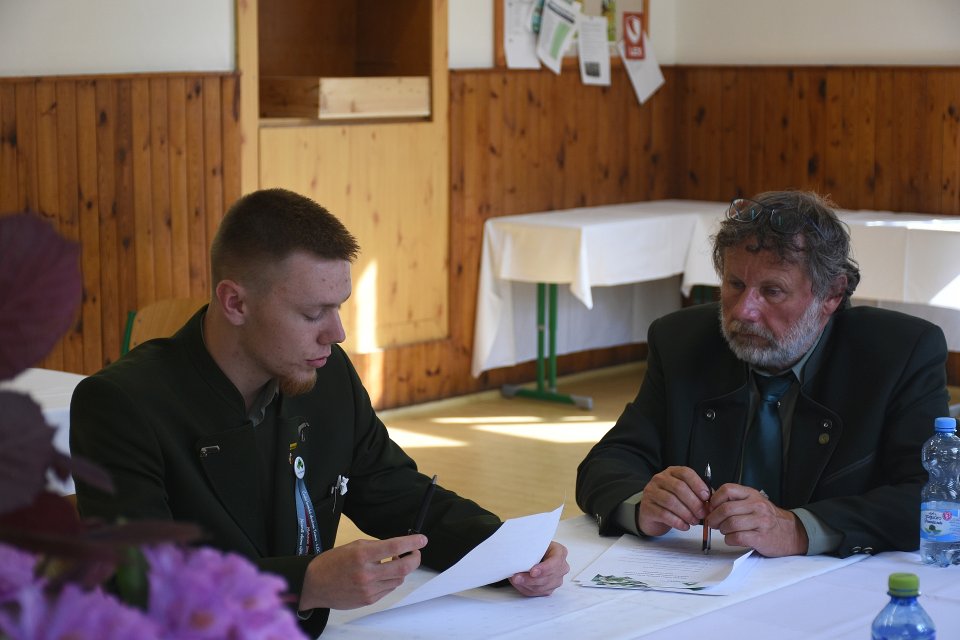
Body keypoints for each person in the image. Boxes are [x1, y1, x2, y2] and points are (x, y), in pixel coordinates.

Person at [71, 188, 569, 636]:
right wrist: (305, 583)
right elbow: (137, 582)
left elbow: (392, 489)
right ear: (235, 303)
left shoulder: (325, 375)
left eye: (339, 307)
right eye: (313, 314)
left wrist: (507, 551)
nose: (337, 333)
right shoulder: (121, 404)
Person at [576, 190, 949, 559]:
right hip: (702, 575)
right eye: (735, 284)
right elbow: (607, 462)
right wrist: (643, 503)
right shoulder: (681, 341)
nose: (743, 311)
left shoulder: (899, 354)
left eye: (772, 291)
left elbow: (936, 495)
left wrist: (799, 529)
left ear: (832, 295)